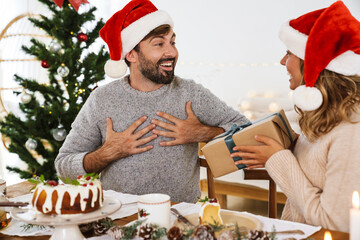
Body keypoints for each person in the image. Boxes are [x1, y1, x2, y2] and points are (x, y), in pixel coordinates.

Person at [55, 0, 249, 203]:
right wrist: (106, 154)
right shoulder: (102, 100)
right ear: (131, 54)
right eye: (159, 44)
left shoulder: (191, 93)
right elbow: (63, 166)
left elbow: (247, 130)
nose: (172, 52)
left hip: (180, 219)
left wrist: (204, 133)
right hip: (120, 218)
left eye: (172, 42)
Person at [231, 1, 360, 232]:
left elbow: (336, 224)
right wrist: (288, 149)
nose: (283, 61)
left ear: (313, 63)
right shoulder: (324, 115)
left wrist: (280, 159)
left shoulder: (351, 129)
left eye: (289, 53)